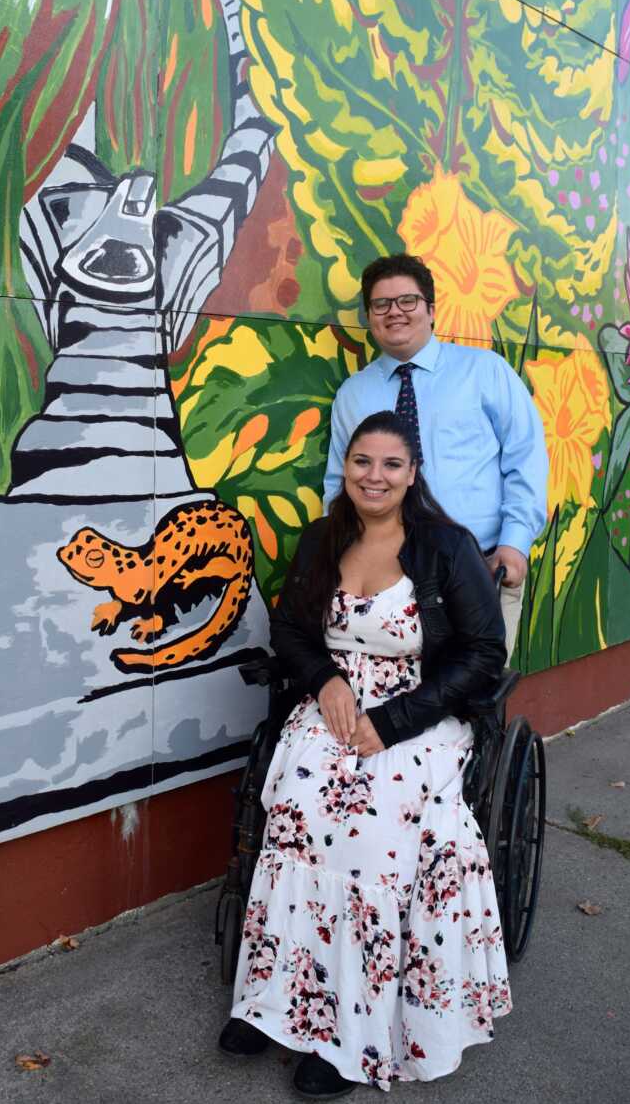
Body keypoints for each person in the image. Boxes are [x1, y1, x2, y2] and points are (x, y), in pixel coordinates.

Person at [218, 412, 510, 1097]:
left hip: (419, 710)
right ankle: (273, 1003)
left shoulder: (446, 546)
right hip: (335, 706)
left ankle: (349, 1031)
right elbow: (291, 628)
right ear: (345, 469)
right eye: (361, 462)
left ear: (412, 475)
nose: (374, 476)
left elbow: (483, 654)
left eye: (390, 465)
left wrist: (397, 719)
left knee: (372, 831)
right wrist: (324, 681)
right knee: (294, 805)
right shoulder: (324, 538)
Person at [323, 254, 548, 657]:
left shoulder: (485, 371)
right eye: (381, 304)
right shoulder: (352, 394)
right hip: (385, 578)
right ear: (370, 316)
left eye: (407, 301)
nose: (395, 312)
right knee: (396, 696)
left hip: (480, 568)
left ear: (431, 310)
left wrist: (514, 544)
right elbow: (337, 484)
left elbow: (525, 457)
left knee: (473, 697)